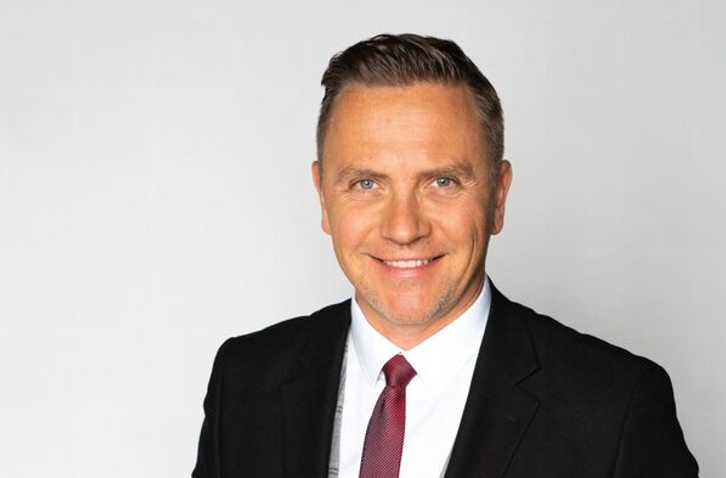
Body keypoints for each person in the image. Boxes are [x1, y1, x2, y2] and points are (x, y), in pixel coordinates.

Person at [192, 33, 698, 478]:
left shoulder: (615, 409)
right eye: (366, 184)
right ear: (324, 198)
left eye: (442, 182)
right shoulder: (245, 382)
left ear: (498, 197)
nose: (404, 228)